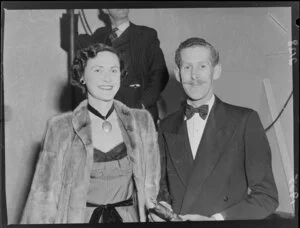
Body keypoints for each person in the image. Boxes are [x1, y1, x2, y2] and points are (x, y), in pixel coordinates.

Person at [20, 43, 160, 224]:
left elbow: (151, 189)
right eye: (98, 70)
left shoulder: (142, 123)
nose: (107, 78)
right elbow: (43, 198)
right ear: (82, 77)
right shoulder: (61, 127)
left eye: (113, 70)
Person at [154, 37, 279, 221]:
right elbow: (162, 188)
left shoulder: (245, 120)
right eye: (187, 67)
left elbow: (267, 197)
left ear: (216, 71)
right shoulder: (165, 126)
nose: (194, 76)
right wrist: (161, 208)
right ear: (178, 74)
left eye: (202, 66)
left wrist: (218, 220)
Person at [61, 9, 169, 124]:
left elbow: (160, 75)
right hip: (108, 118)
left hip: (140, 117)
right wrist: (71, 9)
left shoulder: (146, 35)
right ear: (105, 9)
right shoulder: (99, 35)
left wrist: (142, 104)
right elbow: (70, 41)